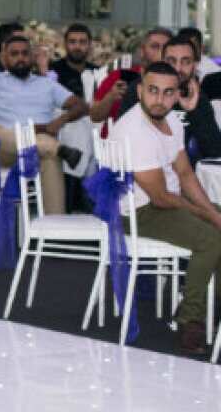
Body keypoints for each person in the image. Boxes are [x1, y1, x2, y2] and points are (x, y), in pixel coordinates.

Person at [109, 61, 221, 355]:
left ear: (176, 94)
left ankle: (209, 302)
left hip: (163, 202)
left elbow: (185, 174)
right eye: (153, 90)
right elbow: (160, 197)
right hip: (138, 212)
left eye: (168, 92)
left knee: (217, 220)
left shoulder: (171, 120)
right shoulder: (135, 130)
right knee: (211, 239)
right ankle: (190, 320)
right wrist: (210, 216)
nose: (159, 99)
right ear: (140, 90)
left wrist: (213, 212)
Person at [0, 35, 89, 214]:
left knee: (49, 156)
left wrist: (59, 121)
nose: (20, 58)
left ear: (32, 57)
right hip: (4, 150)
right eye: (14, 54)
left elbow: (81, 106)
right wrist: (45, 129)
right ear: (4, 58)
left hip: (37, 153)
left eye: (25, 53)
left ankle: (54, 226)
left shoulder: (46, 84)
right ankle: (57, 148)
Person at [91, 28, 172, 126]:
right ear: (142, 51)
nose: (161, 52)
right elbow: (94, 116)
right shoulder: (120, 76)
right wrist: (111, 97)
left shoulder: (176, 83)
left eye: (166, 47)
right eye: (155, 46)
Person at [166, 35, 221, 162]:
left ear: (195, 66)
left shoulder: (198, 99)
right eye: (171, 61)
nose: (178, 68)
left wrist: (193, 110)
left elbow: (215, 152)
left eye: (186, 62)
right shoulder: (143, 93)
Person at [50, 23, 97, 98]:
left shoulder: (97, 73)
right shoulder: (52, 71)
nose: (77, 47)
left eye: (82, 42)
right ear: (65, 44)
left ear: (89, 45)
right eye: (72, 42)